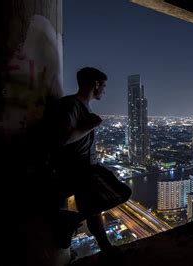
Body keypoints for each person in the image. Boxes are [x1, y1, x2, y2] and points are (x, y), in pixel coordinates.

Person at [42, 67, 131, 253]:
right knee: (119, 193)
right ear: (96, 84)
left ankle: (104, 246)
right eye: (104, 86)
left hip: (85, 166)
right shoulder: (71, 105)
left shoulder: (81, 105)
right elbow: (62, 139)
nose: (104, 91)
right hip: (78, 168)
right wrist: (90, 126)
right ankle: (73, 220)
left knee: (94, 209)